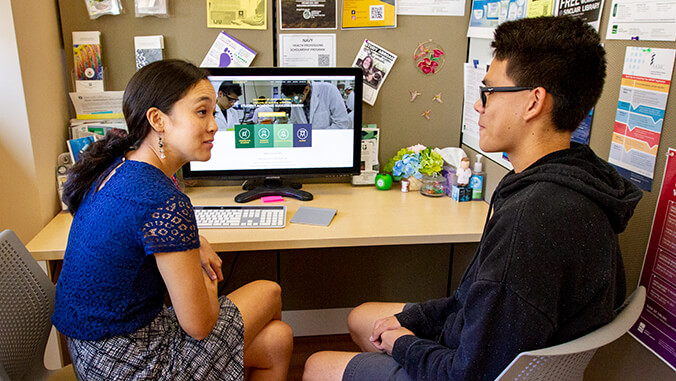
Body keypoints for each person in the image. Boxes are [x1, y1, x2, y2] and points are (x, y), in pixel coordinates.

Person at [303, 16, 643, 381]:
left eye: (489, 92)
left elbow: (467, 373)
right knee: (362, 318)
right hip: (491, 347)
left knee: (315, 365)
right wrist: (410, 323)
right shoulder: (577, 182)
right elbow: (476, 301)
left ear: (533, 102)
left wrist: (403, 343)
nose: (479, 106)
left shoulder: (530, 221)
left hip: (468, 370)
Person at [53, 60, 293, 380]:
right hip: (133, 365)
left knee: (277, 340)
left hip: (93, 356)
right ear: (158, 120)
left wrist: (194, 242)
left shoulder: (116, 169)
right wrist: (195, 255)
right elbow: (199, 325)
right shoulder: (163, 200)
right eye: (201, 112)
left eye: (213, 112)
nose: (214, 125)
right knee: (269, 291)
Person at [281, 81, 351, 129]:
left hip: (328, 143)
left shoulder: (329, 90)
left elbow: (342, 123)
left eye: (295, 99)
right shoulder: (297, 99)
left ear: (306, 89)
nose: (293, 103)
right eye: (290, 99)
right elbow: (294, 122)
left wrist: (317, 137)